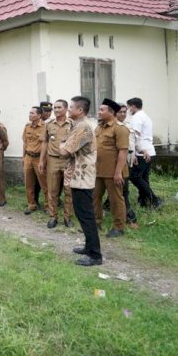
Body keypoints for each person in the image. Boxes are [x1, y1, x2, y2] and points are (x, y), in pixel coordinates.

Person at [60, 96, 102, 266]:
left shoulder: (83, 127)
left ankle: (95, 255)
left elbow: (64, 151)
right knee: (82, 214)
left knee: (86, 216)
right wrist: (64, 145)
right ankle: (88, 246)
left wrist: (62, 144)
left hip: (83, 178)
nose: (68, 110)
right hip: (79, 176)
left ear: (80, 110)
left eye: (71, 107)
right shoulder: (78, 125)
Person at [93, 99, 130, 237]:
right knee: (95, 197)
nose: (99, 112)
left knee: (116, 200)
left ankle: (119, 227)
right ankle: (96, 223)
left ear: (111, 112)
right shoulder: (99, 128)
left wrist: (118, 172)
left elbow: (123, 151)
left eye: (102, 110)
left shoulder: (120, 129)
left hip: (113, 172)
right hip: (98, 171)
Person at [39, 99, 74, 228]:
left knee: (68, 190)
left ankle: (67, 217)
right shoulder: (49, 124)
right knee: (52, 190)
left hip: (68, 160)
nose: (56, 110)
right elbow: (45, 142)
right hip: (52, 160)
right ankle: (53, 216)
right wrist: (42, 160)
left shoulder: (72, 124)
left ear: (66, 109)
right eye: (55, 107)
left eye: (59, 107)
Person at [126, 97, 162, 209]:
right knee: (144, 178)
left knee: (134, 176)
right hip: (150, 150)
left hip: (142, 152)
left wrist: (134, 153)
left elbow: (134, 136)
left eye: (128, 107)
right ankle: (144, 202)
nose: (128, 110)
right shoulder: (145, 116)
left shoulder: (137, 118)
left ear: (133, 106)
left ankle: (154, 199)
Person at [22, 106, 47, 215]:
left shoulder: (45, 127)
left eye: (32, 113)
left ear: (39, 115)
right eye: (29, 113)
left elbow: (45, 145)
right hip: (28, 157)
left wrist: (43, 160)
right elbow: (24, 143)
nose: (30, 115)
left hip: (39, 159)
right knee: (29, 183)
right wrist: (23, 158)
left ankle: (48, 205)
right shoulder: (27, 126)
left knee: (44, 184)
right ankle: (31, 204)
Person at [117, 105, 138, 227]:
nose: (123, 114)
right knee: (123, 191)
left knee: (122, 189)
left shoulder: (128, 125)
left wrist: (135, 154)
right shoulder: (113, 127)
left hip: (128, 160)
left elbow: (132, 142)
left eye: (125, 112)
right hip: (118, 163)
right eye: (120, 112)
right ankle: (129, 216)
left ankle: (110, 207)